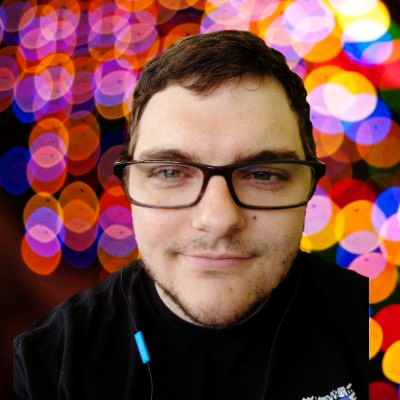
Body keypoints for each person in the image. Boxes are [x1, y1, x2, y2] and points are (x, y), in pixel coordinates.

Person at [14, 30, 368, 400]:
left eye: (263, 175)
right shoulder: (51, 361)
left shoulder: (368, 323)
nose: (218, 220)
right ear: (128, 186)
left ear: (309, 186)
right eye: (170, 172)